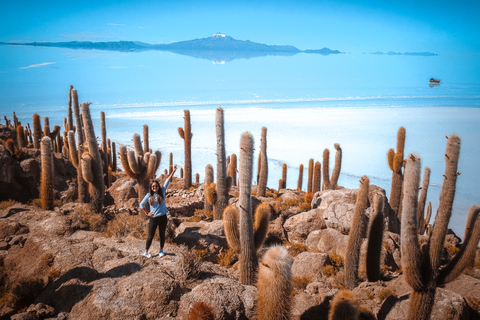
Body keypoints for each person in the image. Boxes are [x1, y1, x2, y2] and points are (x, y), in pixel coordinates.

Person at [140, 165, 178, 258]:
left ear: (158, 186)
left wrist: (173, 171)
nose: (155, 187)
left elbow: (167, 181)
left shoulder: (162, 191)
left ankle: (161, 250)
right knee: (150, 236)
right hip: (153, 218)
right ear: (151, 187)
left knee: (162, 235)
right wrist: (146, 213)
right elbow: (141, 204)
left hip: (163, 217)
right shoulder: (148, 195)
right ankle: (146, 252)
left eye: (156, 186)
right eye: (153, 186)